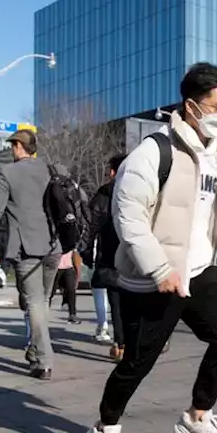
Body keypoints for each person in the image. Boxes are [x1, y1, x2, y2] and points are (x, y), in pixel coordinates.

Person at [88, 62, 217, 433]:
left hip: (199, 270)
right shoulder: (153, 152)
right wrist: (159, 269)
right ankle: (105, 428)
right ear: (191, 106)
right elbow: (129, 217)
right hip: (156, 275)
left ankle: (197, 415)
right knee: (138, 362)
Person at [0, 128, 59, 379]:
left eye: (12, 146)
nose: (11, 150)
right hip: (54, 247)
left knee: (34, 304)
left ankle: (43, 361)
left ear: (19, 146)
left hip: (26, 247)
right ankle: (34, 350)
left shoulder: (6, 172)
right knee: (43, 302)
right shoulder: (51, 169)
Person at [82, 154, 127, 359]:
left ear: (112, 172)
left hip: (110, 256)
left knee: (116, 302)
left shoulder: (103, 194)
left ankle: (120, 344)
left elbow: (90, 227)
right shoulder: (139, 190)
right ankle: (132, 342)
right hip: (136, 255)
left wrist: (86, 251)